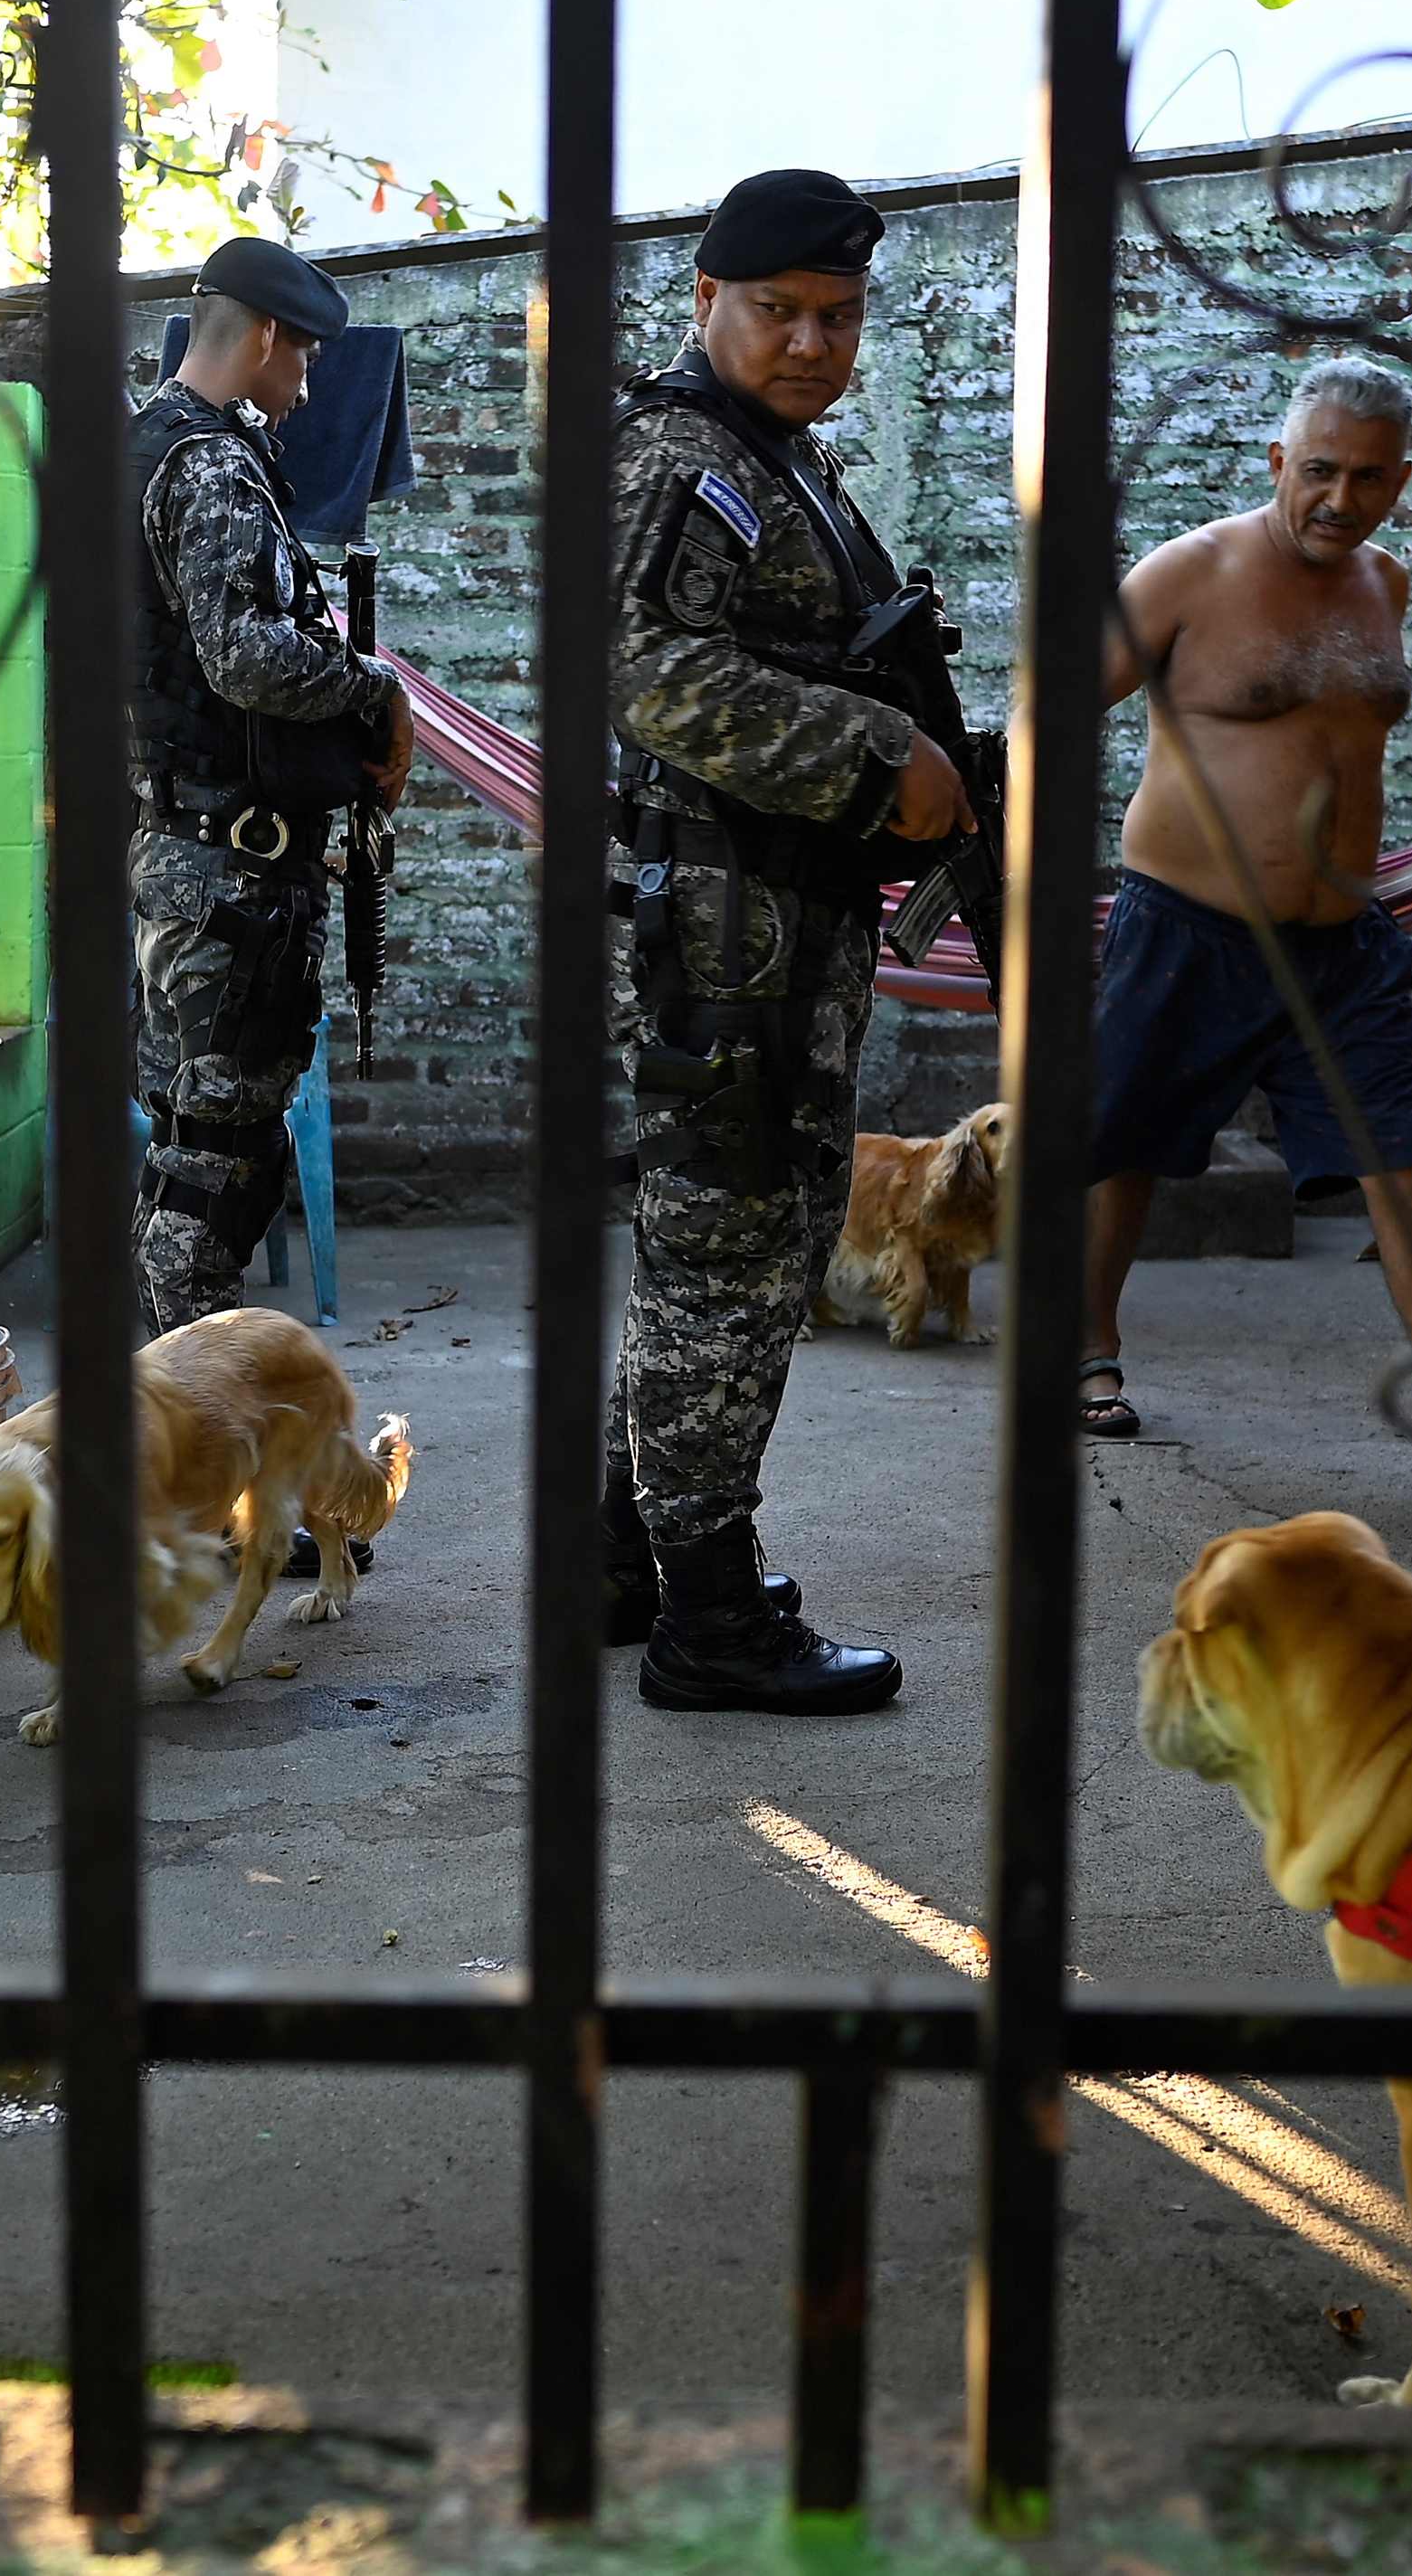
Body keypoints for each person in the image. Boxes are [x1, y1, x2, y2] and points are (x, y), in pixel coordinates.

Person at [601, 166, 975, 1714]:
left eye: (838, 315)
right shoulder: (686, 460)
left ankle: (629, 1568)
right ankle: (711, 1624)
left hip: (778, 921)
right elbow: (643, 667)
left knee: (721, 1245)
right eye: (780, 311)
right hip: (721, 927)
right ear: (706, 301)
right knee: (733, 1261)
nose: (814, 339)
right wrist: (879, 756)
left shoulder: (780, 460)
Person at [1075, 360, 1412, 1501]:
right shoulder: (1190, 572)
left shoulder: (1388, 581)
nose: (1340, 497)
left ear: (1402, 482)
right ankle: (1083, 1353)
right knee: (1118, 1147)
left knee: (1406, 1169)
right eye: (1319, 470)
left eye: (1368, 477)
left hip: (1343, 942)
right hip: (1184, 926)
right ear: (1280, 461)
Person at [130, 236, 413, 1347]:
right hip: (226, 876)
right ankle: (199, 1464)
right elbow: (244, 656)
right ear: (261, 339)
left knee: (191, 1152)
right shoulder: (207, 462)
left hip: (191, 852)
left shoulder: (145, 446)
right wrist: (373, 687)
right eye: (303, 359)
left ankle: (175, 1450)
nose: (306, 388)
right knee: (216, 1181)